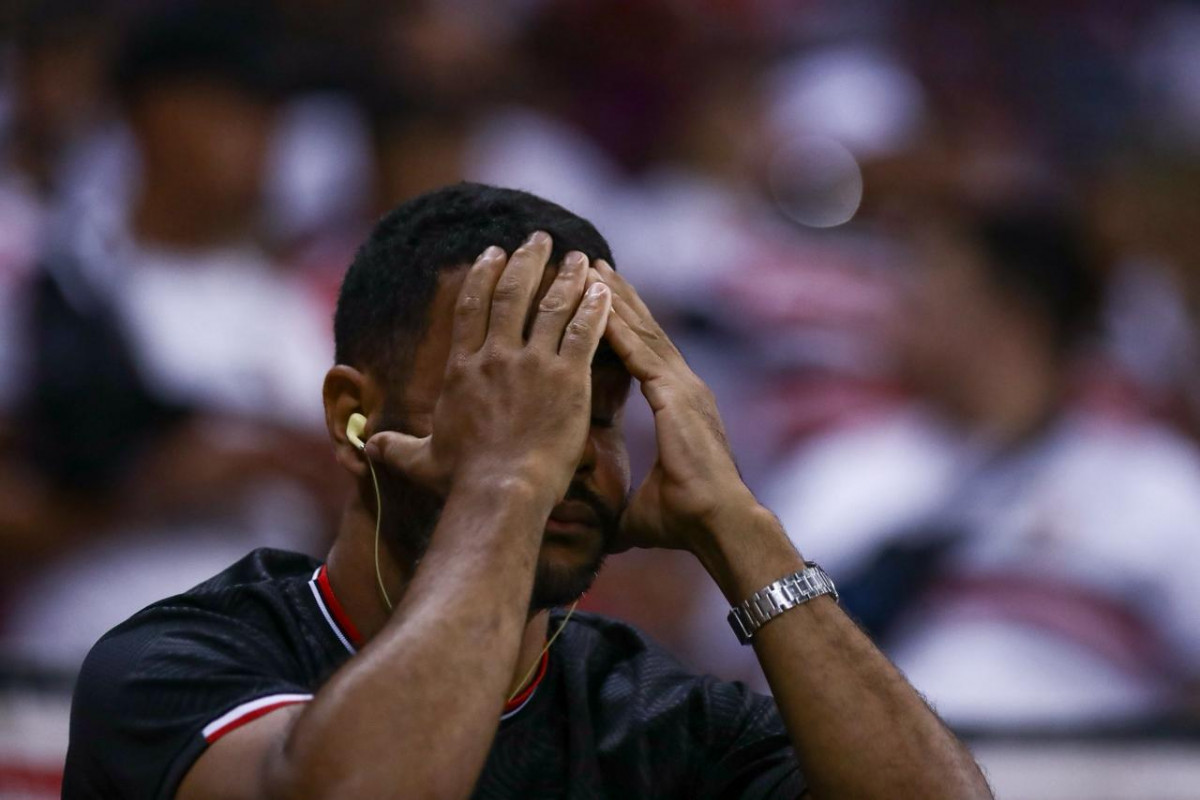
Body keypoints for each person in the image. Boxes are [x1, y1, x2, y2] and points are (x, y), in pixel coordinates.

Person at [63, 184, 991, 799]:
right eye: (511, 401)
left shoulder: (658, 718)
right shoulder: (176, 662)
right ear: (355, 417)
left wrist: (744, 530)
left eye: (597, 413)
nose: (568, 453)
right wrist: (509, 480)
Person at [768, 202, 1200, 729]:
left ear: (1015, 313)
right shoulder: (841, 471)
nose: (904, 305)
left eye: (933, 285)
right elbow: (752, 653)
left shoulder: (1160, 484)